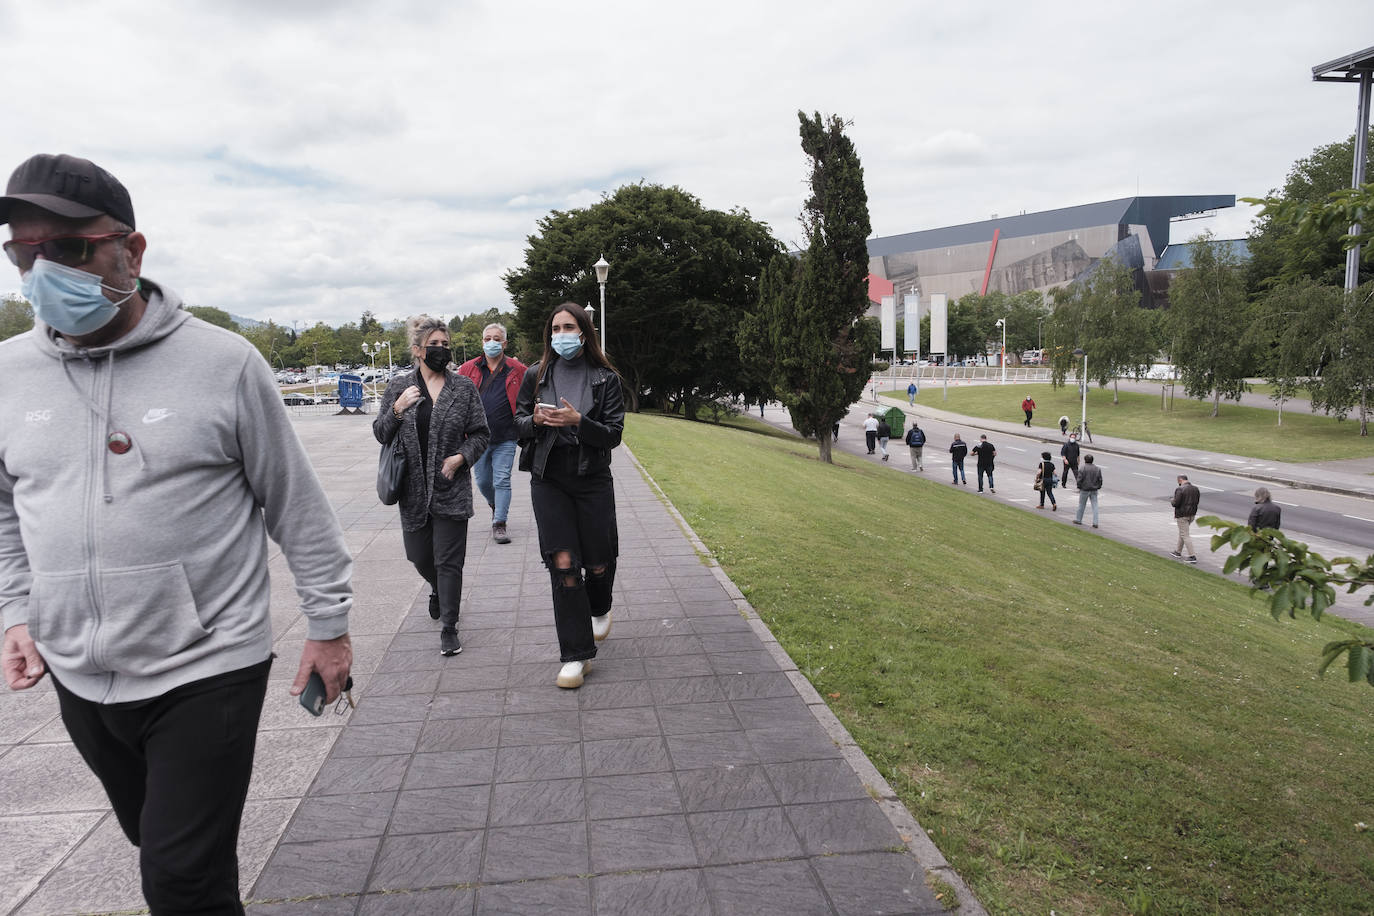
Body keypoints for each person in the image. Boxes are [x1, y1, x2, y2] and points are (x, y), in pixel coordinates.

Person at [0, 153, 354, 914]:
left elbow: (294, 503)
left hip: (206, 664)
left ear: (132, 249)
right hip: (80, 671)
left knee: (177, 876)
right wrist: (18, 611)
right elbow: (4, 505)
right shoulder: (7, 375)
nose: (40, 270)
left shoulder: (223, 363)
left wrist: (329, 625)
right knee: (167, 849)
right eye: (22, 252)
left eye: (67, 249)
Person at [513, 303, 624, 689]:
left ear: (583, 332)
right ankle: (576, 656)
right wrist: (536, 421)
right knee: (563, 563)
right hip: (550, 478)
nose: (561, 333)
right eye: (555, 327)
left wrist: (580, 421)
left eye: (569, 327)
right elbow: (517, 423)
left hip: (592, 477)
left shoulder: (605, 378)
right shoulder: (536, 375)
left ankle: (600, 607)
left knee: (597, 561)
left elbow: (613, 434)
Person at [375, 316, 490, 657]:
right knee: (420, 556)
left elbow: (482, 434)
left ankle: (450, 628)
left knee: (449, 562)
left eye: (445, 344)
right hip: (412, 492)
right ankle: (438, 592)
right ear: (417, 350)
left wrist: (461, 458)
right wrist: (397, 410)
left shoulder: (463, 388)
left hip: (450, 488)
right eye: (434, 345)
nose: (441, 350)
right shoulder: (399, 387)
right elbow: (381, 433)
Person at [457, 322, 528, 545]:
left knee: (502, 480)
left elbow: (529, 396)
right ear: (482, 342)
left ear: (505, 343)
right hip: (478, 438)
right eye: (487, 338)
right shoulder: (468, 368)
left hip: (507, 435)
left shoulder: (518, 369)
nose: (491, 342)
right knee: (483, 481)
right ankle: (496, 505)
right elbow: (457, 398)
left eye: (496, 339)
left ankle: (500, 523)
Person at [1169, 474, 1201, 562]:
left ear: (1180, 480)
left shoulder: (1180, 489)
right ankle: (1178, 552)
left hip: (1182, 515)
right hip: (1192, 515)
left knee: (1185, 535)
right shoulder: (1195, 489)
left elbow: (1176, 503)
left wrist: (1172, 500)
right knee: (1183, 533)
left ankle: (1192, 556)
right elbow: (1197, 501)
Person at [1073, 454, 1103, 527]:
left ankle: (1078, 519)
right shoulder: (1097, 469)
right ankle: (1095, 522)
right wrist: (1098, 486)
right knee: (1095, 506)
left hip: (1084, 489)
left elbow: (1079, 479)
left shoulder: (1082, 468)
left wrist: (1079, 487)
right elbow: (1100, 480)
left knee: (1081, 505)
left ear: (1085, 460)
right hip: (1094, 489)